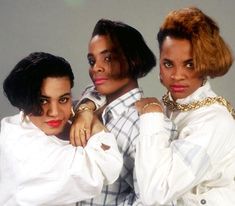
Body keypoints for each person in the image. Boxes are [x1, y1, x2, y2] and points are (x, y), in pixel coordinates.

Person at [134, 7, 235, 206]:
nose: (177, 75)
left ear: (206, 63)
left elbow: (155, 194)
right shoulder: (170, 106)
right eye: (168, 64)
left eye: (190, 64)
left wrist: (152, 116)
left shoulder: (213, 121)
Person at [0, 52, 122, 206]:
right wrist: (91, 119)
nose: (55, 112)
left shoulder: (14, 123)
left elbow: (97, 91)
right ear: (24, 100)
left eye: (63, 99)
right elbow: (107, 165)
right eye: (42, 101)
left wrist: (84, 110)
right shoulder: (32, 155)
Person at [70, 19, 156, 205]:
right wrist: (85, 110)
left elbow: (152, 199)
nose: (95, 68)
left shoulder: (143, 124)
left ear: (132, 59)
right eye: (92, 61)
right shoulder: (91, 104)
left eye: (107, 58)